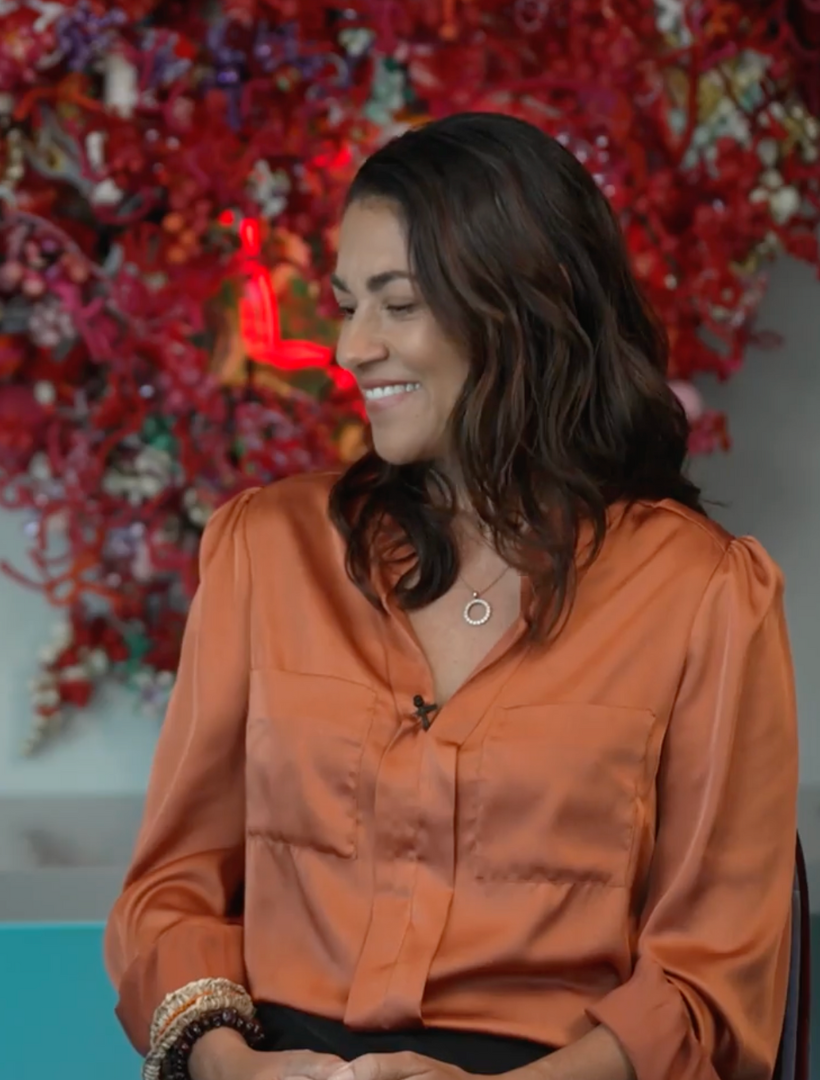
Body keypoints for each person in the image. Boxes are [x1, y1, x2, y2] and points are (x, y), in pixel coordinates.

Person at [104, 111, 799, 1080]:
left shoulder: (704, 594)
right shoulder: (266, 549)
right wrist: (232, 1066)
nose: (352, 347)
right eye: (349, 304)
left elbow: (710, 985)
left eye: (398, 304)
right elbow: (172, 894)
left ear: (523, 309)